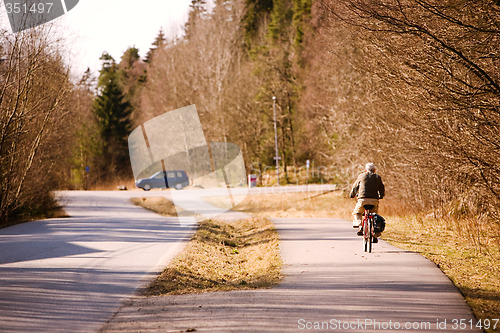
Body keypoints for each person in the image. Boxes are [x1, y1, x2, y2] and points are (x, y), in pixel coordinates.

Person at [350, 163, 385, 242]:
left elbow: (355, 187)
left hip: (362, 199)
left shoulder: (361, 176)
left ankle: (360, 226)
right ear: (374, 170)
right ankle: (375, 235)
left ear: (366, 170)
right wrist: (381, 196)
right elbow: (381, 188)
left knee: (357, 213)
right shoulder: (377, 177)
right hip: (374, 200)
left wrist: (352, 195)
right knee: (374, 216)